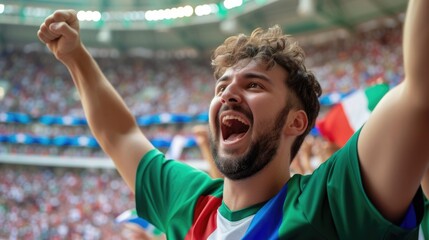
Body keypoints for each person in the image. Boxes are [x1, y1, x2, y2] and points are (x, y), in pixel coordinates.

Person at [37, 0, 428, 238]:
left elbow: (420, 93)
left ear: (296, 122)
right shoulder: (190, 205)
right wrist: (76, 57)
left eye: (254, 85)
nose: (227, 93)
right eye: (221, 85)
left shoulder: (330, 203)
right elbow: (120, 134)